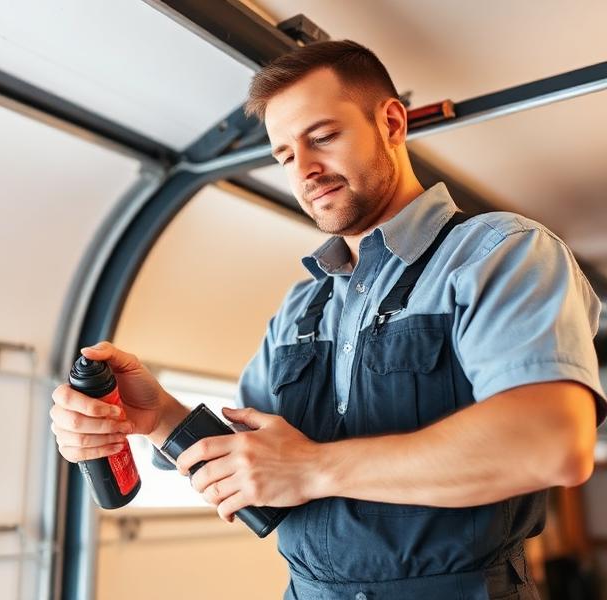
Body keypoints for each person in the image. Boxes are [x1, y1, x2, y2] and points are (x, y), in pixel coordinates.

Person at [50, 40, 606, 599]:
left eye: (322, 137)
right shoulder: (301, 307)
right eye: (285, 155)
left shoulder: (498, 253)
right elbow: (259, 462)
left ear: (391, 123)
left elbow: (550, 442)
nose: (306, 170)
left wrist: (312, 468)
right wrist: (158, 418)